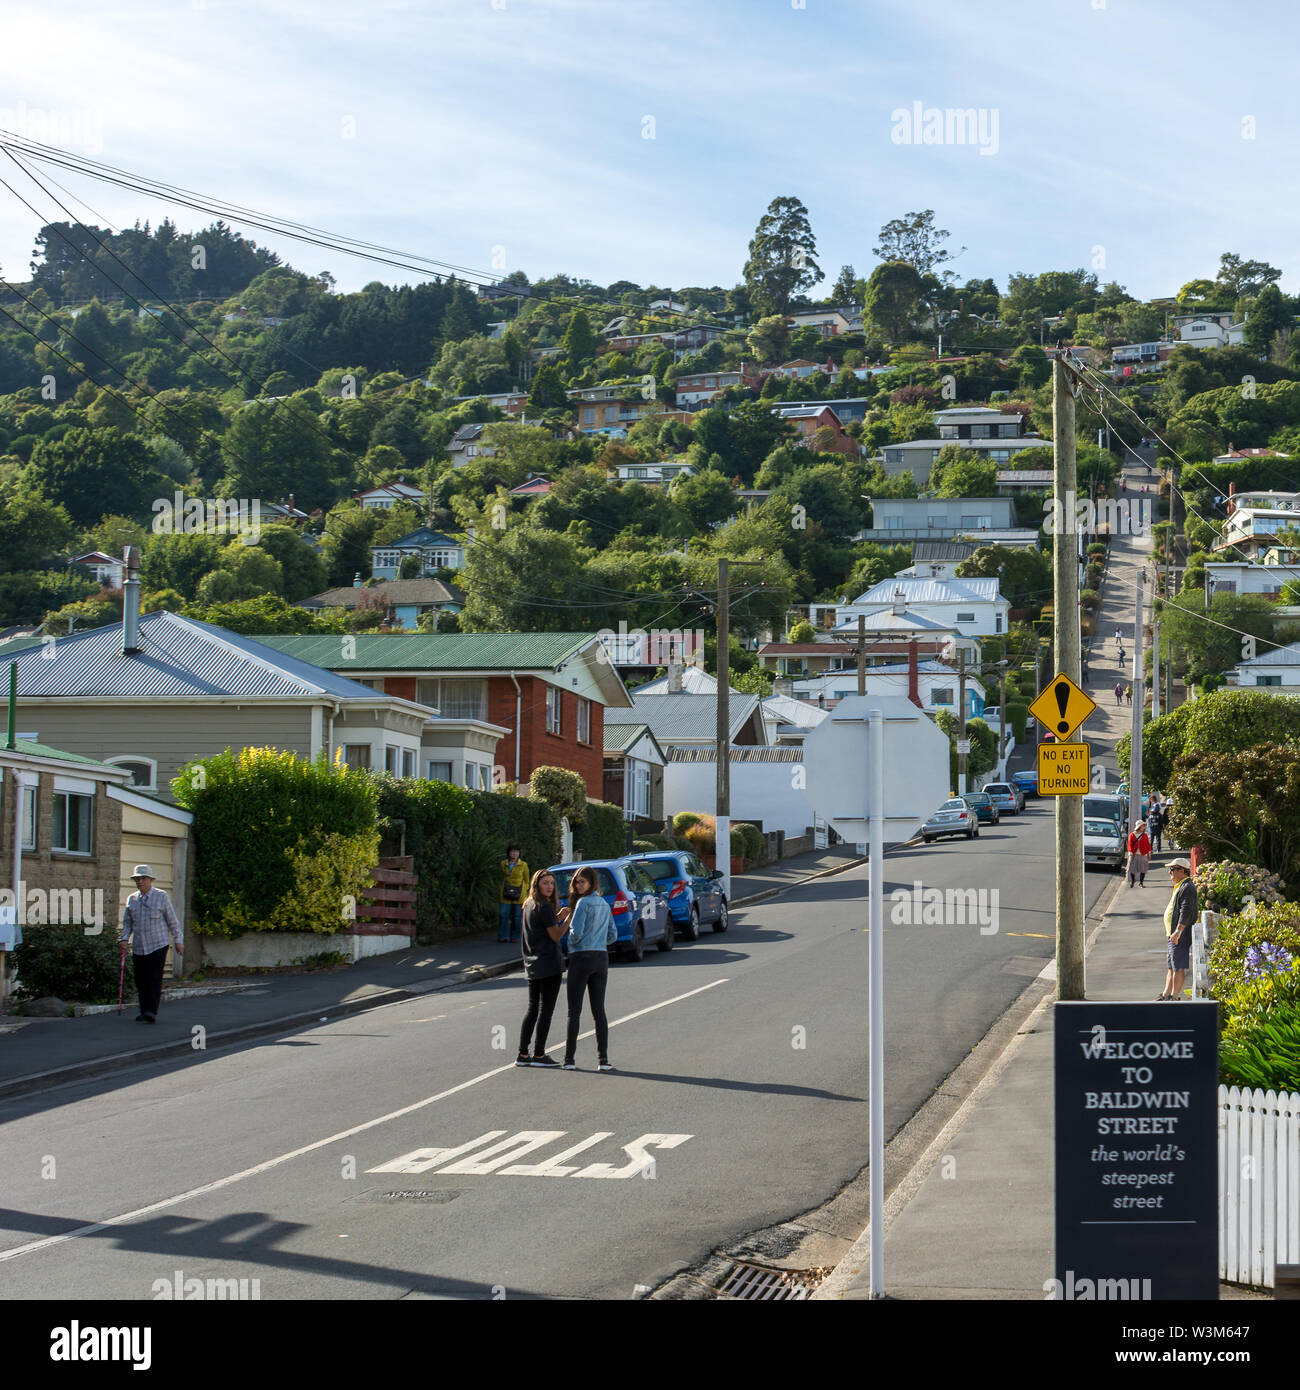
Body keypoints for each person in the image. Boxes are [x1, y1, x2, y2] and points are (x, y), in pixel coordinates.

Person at [561, 865, 617, 1072]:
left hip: (581, 956)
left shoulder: (583, 903)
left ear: (591, 883)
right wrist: (600, 941)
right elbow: (613, 934)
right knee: (598, 1011)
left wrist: (574, 945)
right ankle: (603, 1059)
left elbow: (575, 932)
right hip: (601, 957)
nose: (578, 885)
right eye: (576, 882)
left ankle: (569, 1059)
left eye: (581, 881)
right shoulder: (603, 903)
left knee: (574, 1011)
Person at [119, 865, 183, 1023]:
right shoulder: (132, 899)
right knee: (141, 980)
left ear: (150, 880)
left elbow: (172, 921)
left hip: (158, 944)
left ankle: (151, 1011)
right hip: (140, 946)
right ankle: (143, 1010)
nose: (139, 882)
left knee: (153, 979)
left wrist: (178, 940)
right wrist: (124, 938)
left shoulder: (161, 896)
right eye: (137, 879)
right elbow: (127, 923)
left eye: (142, 879)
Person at [516, 869, 566, 1067]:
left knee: (532, 1009)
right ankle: (539, 1054)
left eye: (552, 884)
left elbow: (541, 927)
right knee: (546, 1011)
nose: (550, 887)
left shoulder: (528, 904)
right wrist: (567, 920)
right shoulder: (544, 907)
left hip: (532, 963)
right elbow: (555, 936)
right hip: (549, 964)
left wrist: (558, 916)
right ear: (536, 884)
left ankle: (523, 1053)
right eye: (545, 883)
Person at [1159, 858, 1198, 1000]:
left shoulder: (1187, 887)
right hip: (1172, 934)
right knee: (1171, 965)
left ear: (1182, 870)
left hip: (1179, 935)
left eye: (1173, 869)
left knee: (1178, 966)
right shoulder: (1180, 886)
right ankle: (1166, 994)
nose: (1170, 872)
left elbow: (1186, 911)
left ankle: (1175, 996)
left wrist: (1178, 931)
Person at [499, 843, 529, 943]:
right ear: (508, 853)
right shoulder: (504, 864)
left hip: (519, 893)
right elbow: (501, 877)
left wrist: (525, 891)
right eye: (512, 851)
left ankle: (515, 936)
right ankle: (502, 936)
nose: (514, 853)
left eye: (516, 851)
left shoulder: (523, 865)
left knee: (517, 917)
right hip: (506, 893)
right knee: (504, 915)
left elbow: (526, 879)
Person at [1126, 820, 1151, 887]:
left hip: (1143, 854)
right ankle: (1133, 880)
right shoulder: (1132, 835)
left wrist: (1149, 853)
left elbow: (1147, 844)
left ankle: (1141, 883)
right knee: (1132, 868)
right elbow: (1129, 844)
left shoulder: (1145, 835)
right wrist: (1130, 852)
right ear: (1139, 826)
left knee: (1143, 869)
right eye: (1143, 825)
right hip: (1133, 854)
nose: (1144, 827)